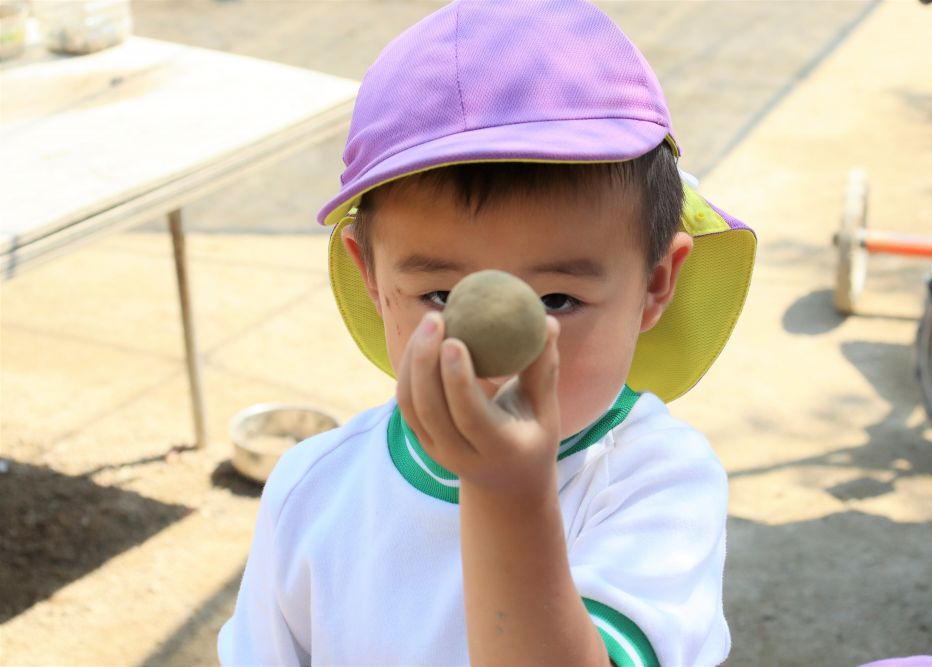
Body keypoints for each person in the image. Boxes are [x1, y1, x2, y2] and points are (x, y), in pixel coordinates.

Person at [217, 1, 756, 665]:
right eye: (442, 295)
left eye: (557, 297)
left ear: (655, 284)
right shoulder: (313, 488)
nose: (497, 355)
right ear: (372, 276)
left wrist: (507, 493)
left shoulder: (653, 482)